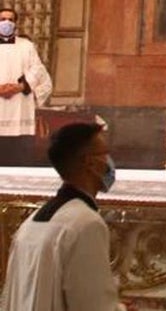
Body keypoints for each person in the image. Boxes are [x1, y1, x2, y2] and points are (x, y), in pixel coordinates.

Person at [0, 122, 125, 310]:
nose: (109, 161)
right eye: (105, 153)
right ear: (90, 162)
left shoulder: (31, 222)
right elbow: (94, 305)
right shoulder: (86, 224)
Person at [0, 6, 53, 165]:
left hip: (20, 107)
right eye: (2, 19)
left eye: (10, 19)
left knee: (18, 159)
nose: (6, 23)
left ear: (16, 23)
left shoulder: (26, 46)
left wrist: (19, 87)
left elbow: (38, 70)